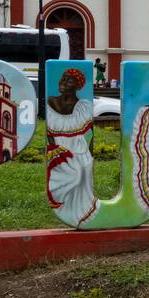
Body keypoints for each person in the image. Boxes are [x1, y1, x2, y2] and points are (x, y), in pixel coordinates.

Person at [46, 67, 96, 227]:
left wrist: (90, 156)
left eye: (69, 80)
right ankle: (66, 213)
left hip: (80, 152)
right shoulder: (50, 102)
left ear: (78, 85)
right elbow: (49, 135)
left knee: (82, 179)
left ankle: (84, 216)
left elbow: (91, 134)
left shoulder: (83, 107)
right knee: (62, 186)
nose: (63, 82)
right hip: (59, 154)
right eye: (63, 78)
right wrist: (53, 152)